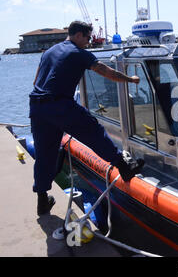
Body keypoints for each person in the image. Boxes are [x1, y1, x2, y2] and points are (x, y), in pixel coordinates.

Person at [30, 21, 144, 216]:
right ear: (79, 35)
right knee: (93, 131)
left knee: (44, 154)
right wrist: (130, 79)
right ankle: (124, 166)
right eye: (88, 38)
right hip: (60, 105)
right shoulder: (78, 53)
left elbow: (36, 81)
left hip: (37, 107)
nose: (89, 42)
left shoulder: (48, 52)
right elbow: (105, 71)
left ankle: (42, 200)